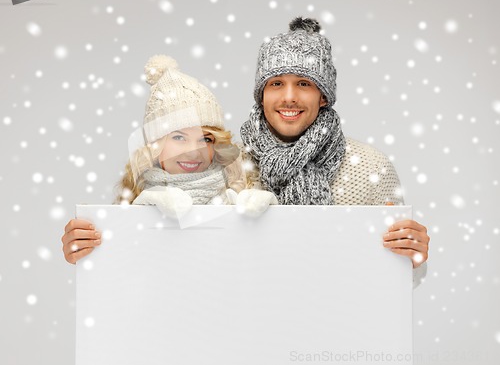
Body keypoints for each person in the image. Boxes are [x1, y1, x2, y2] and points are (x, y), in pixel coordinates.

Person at [239, 17, 429, 284]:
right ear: (262, 95)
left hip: (341, 319)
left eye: (304, 83)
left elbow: (398, 280)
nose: (289, 97)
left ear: (324, 95)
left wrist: (412, 257)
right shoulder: (231, 165)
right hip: (252, 318)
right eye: (276, 83)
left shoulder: (371, 166)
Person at [62, 54, 251, 264]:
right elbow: (121, 275)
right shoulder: (130, 210)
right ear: (155, 146)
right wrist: (85, 247)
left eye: (205, 138)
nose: (193, 151)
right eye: (179, 137)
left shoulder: (243, 196)